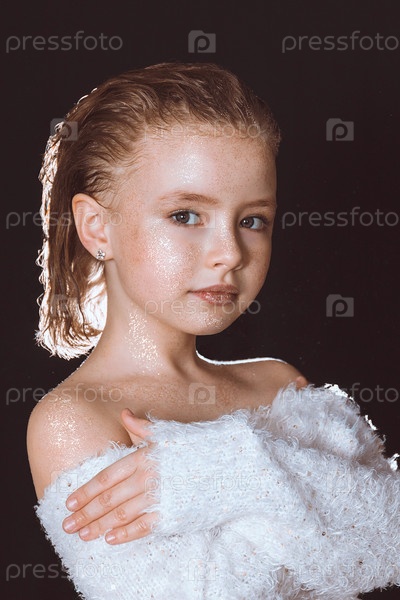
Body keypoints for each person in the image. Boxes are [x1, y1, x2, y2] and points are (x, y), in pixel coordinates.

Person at [27, 62, 400, 599]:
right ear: (96, 226)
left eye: (252, 220)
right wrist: (305, 489)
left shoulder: (279, 382)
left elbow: (389, 539)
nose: (230, 254)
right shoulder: (75, 418)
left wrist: (239, 468)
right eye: (185, 215)